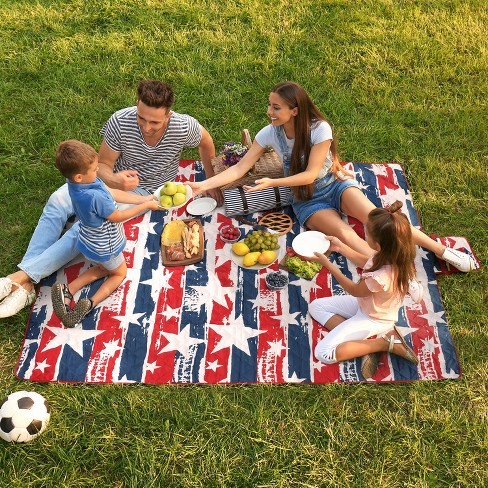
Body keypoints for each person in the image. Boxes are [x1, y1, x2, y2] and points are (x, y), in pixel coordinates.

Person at [188, 81, 475, 275]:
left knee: (376, 217)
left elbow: (312, 173)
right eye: (269, 105)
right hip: (307, 201)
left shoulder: (319, 129)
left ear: (294, 110)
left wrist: (272, 183)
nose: (269, 112)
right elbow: (239, 169)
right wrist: (204, 184)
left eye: (276, 107)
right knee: (347, 234)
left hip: (333, 186)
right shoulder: (268, 133)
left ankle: (442, 251)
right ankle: (389, 273)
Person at [0, 80, 219, 318]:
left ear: (168, 114)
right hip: (106, 181)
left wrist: (209, 180)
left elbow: (206, 142)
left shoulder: (183, 126)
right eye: (141, 118)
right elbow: (103, 165)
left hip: (146, 190)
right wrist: (116, 179)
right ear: (137, 105)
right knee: (56, 202)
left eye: (154, 121)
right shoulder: (120, 121)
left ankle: (19, 279)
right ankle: (26, 281)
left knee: (87, 226)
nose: (146, 127)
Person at [50, 140, 161, 327]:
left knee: (102, 268)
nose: (97, 171)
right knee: (118, 273)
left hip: (89, 240)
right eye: (94, 169)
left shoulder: (77, 183)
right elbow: (118, 216)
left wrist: (143, 197)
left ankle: (68, 289)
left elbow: (112, 192)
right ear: (79, 176)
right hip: (106, 245)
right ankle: (89, 303)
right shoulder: (95, 197)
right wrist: (146, 205)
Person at [308, 201, 419, 379]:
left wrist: (328, 264)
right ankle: (360, 344)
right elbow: (365, 261)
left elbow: (354, 289)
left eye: (367, 231)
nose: (364, 231)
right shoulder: (391, 254)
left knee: (324, 353)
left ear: (377, 244)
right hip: (366, 306)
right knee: (316, 306)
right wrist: (340, 247)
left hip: (374, 318)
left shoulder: (381, 277)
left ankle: (382, 343)